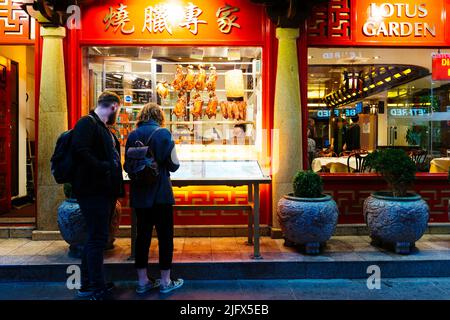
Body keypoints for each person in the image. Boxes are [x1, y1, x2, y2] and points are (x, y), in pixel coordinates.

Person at [124, 103, 183, 295]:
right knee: (165, 237)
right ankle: (165, 281)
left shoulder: (132, 135)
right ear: (159, 116)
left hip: (140, 195)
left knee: (142, 237)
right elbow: (174, 165)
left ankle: (142, 282)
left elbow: (127, 166)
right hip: (161, 195)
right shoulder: (163, 134)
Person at [71, 91, 124, 300]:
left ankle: (89, 283)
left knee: (95, 238)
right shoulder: (87, 122)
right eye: (117, 110)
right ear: (113, 107)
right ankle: (95, 287)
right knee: (96, 239)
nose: (117, 114)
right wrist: (104, 167)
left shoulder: (103, 127)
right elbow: (80, 151)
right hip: (93, 192)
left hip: (104, 191)